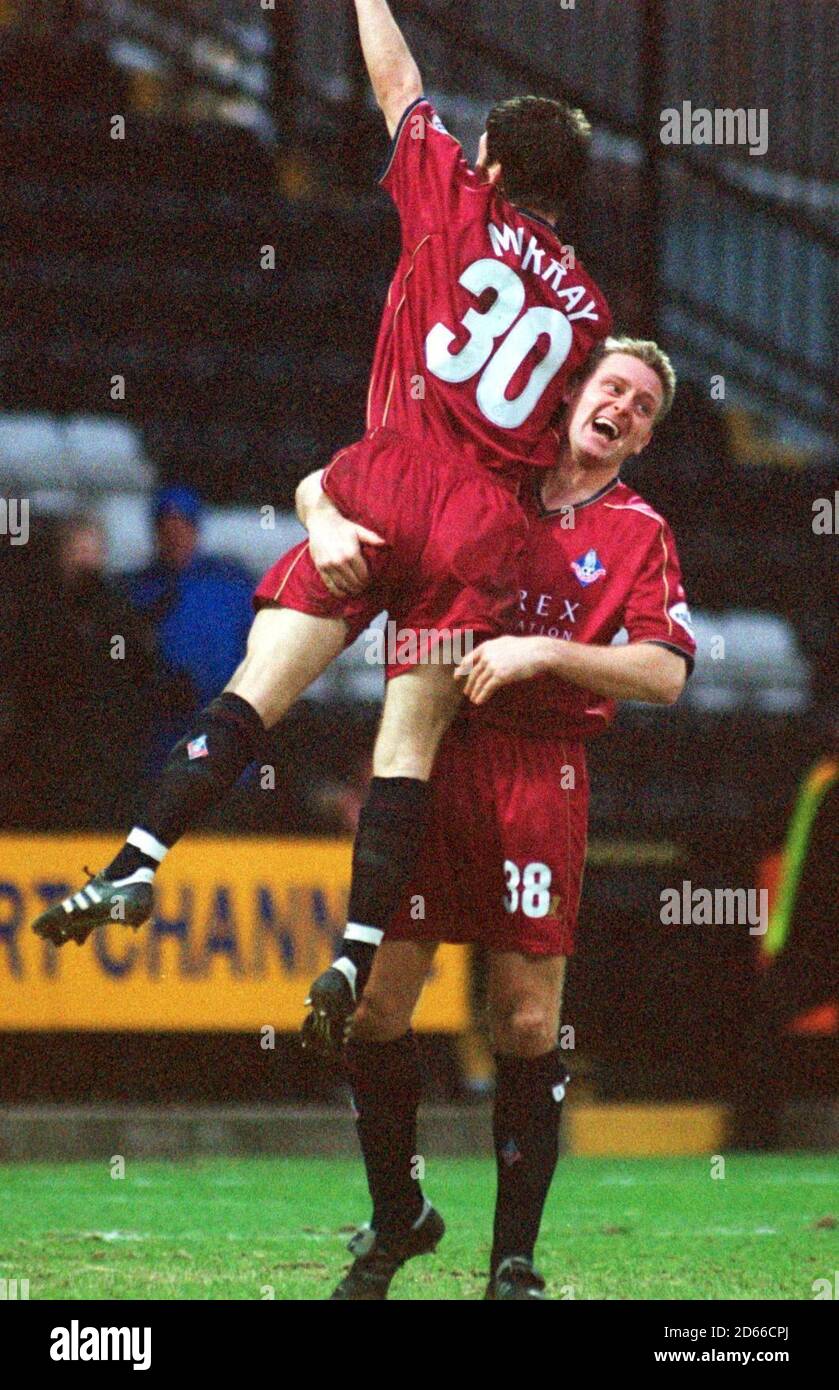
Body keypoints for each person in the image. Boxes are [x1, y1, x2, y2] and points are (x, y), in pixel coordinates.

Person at [32, 0, 611, 1022]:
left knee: (256, 689)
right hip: (481, 522)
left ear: (490, 168)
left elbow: (397, 87)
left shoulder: (456, 198)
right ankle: (349, 954)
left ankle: (136, 857)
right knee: (407, 742)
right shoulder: (588, 313)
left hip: (390, 474)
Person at [294, 338, 697, 1299]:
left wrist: (543, 652)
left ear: (642, 439)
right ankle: (399, 1217)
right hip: (428, 751)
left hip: (537, 775)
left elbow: (666, 672)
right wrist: (317, 521)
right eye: (613, 389)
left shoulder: (639, 530)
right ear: (569, 396)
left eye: (642, 407)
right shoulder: (480, 474)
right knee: (379, 1010)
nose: (624, 410)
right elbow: (328, 481)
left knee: (524, 1022)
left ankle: (511, 1261)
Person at [125, 485, 254, 774]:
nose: (175, 538)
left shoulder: (229, 586)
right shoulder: (138, 591)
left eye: (182, 528)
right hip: (161, 737)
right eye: (166, 530)